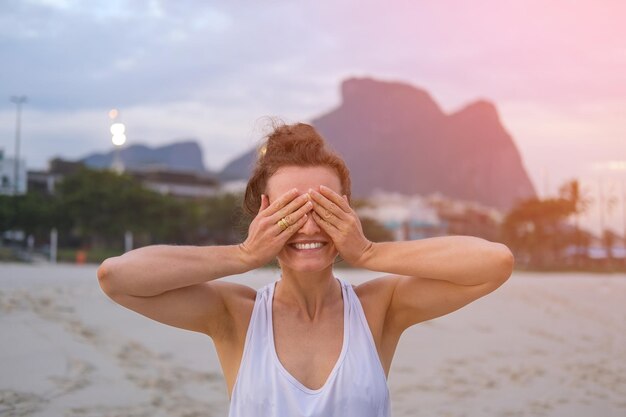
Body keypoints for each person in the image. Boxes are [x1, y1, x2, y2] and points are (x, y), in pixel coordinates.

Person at [97, 122, 514, 417]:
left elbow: (494, 263)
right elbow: (117, 277)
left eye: (324, 208)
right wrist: (244, 254)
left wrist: (366, 251)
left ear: (347, 211)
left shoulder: (379, 309)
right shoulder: (235, 315)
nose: (309, 225)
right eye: (290, 210)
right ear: (262, 214)